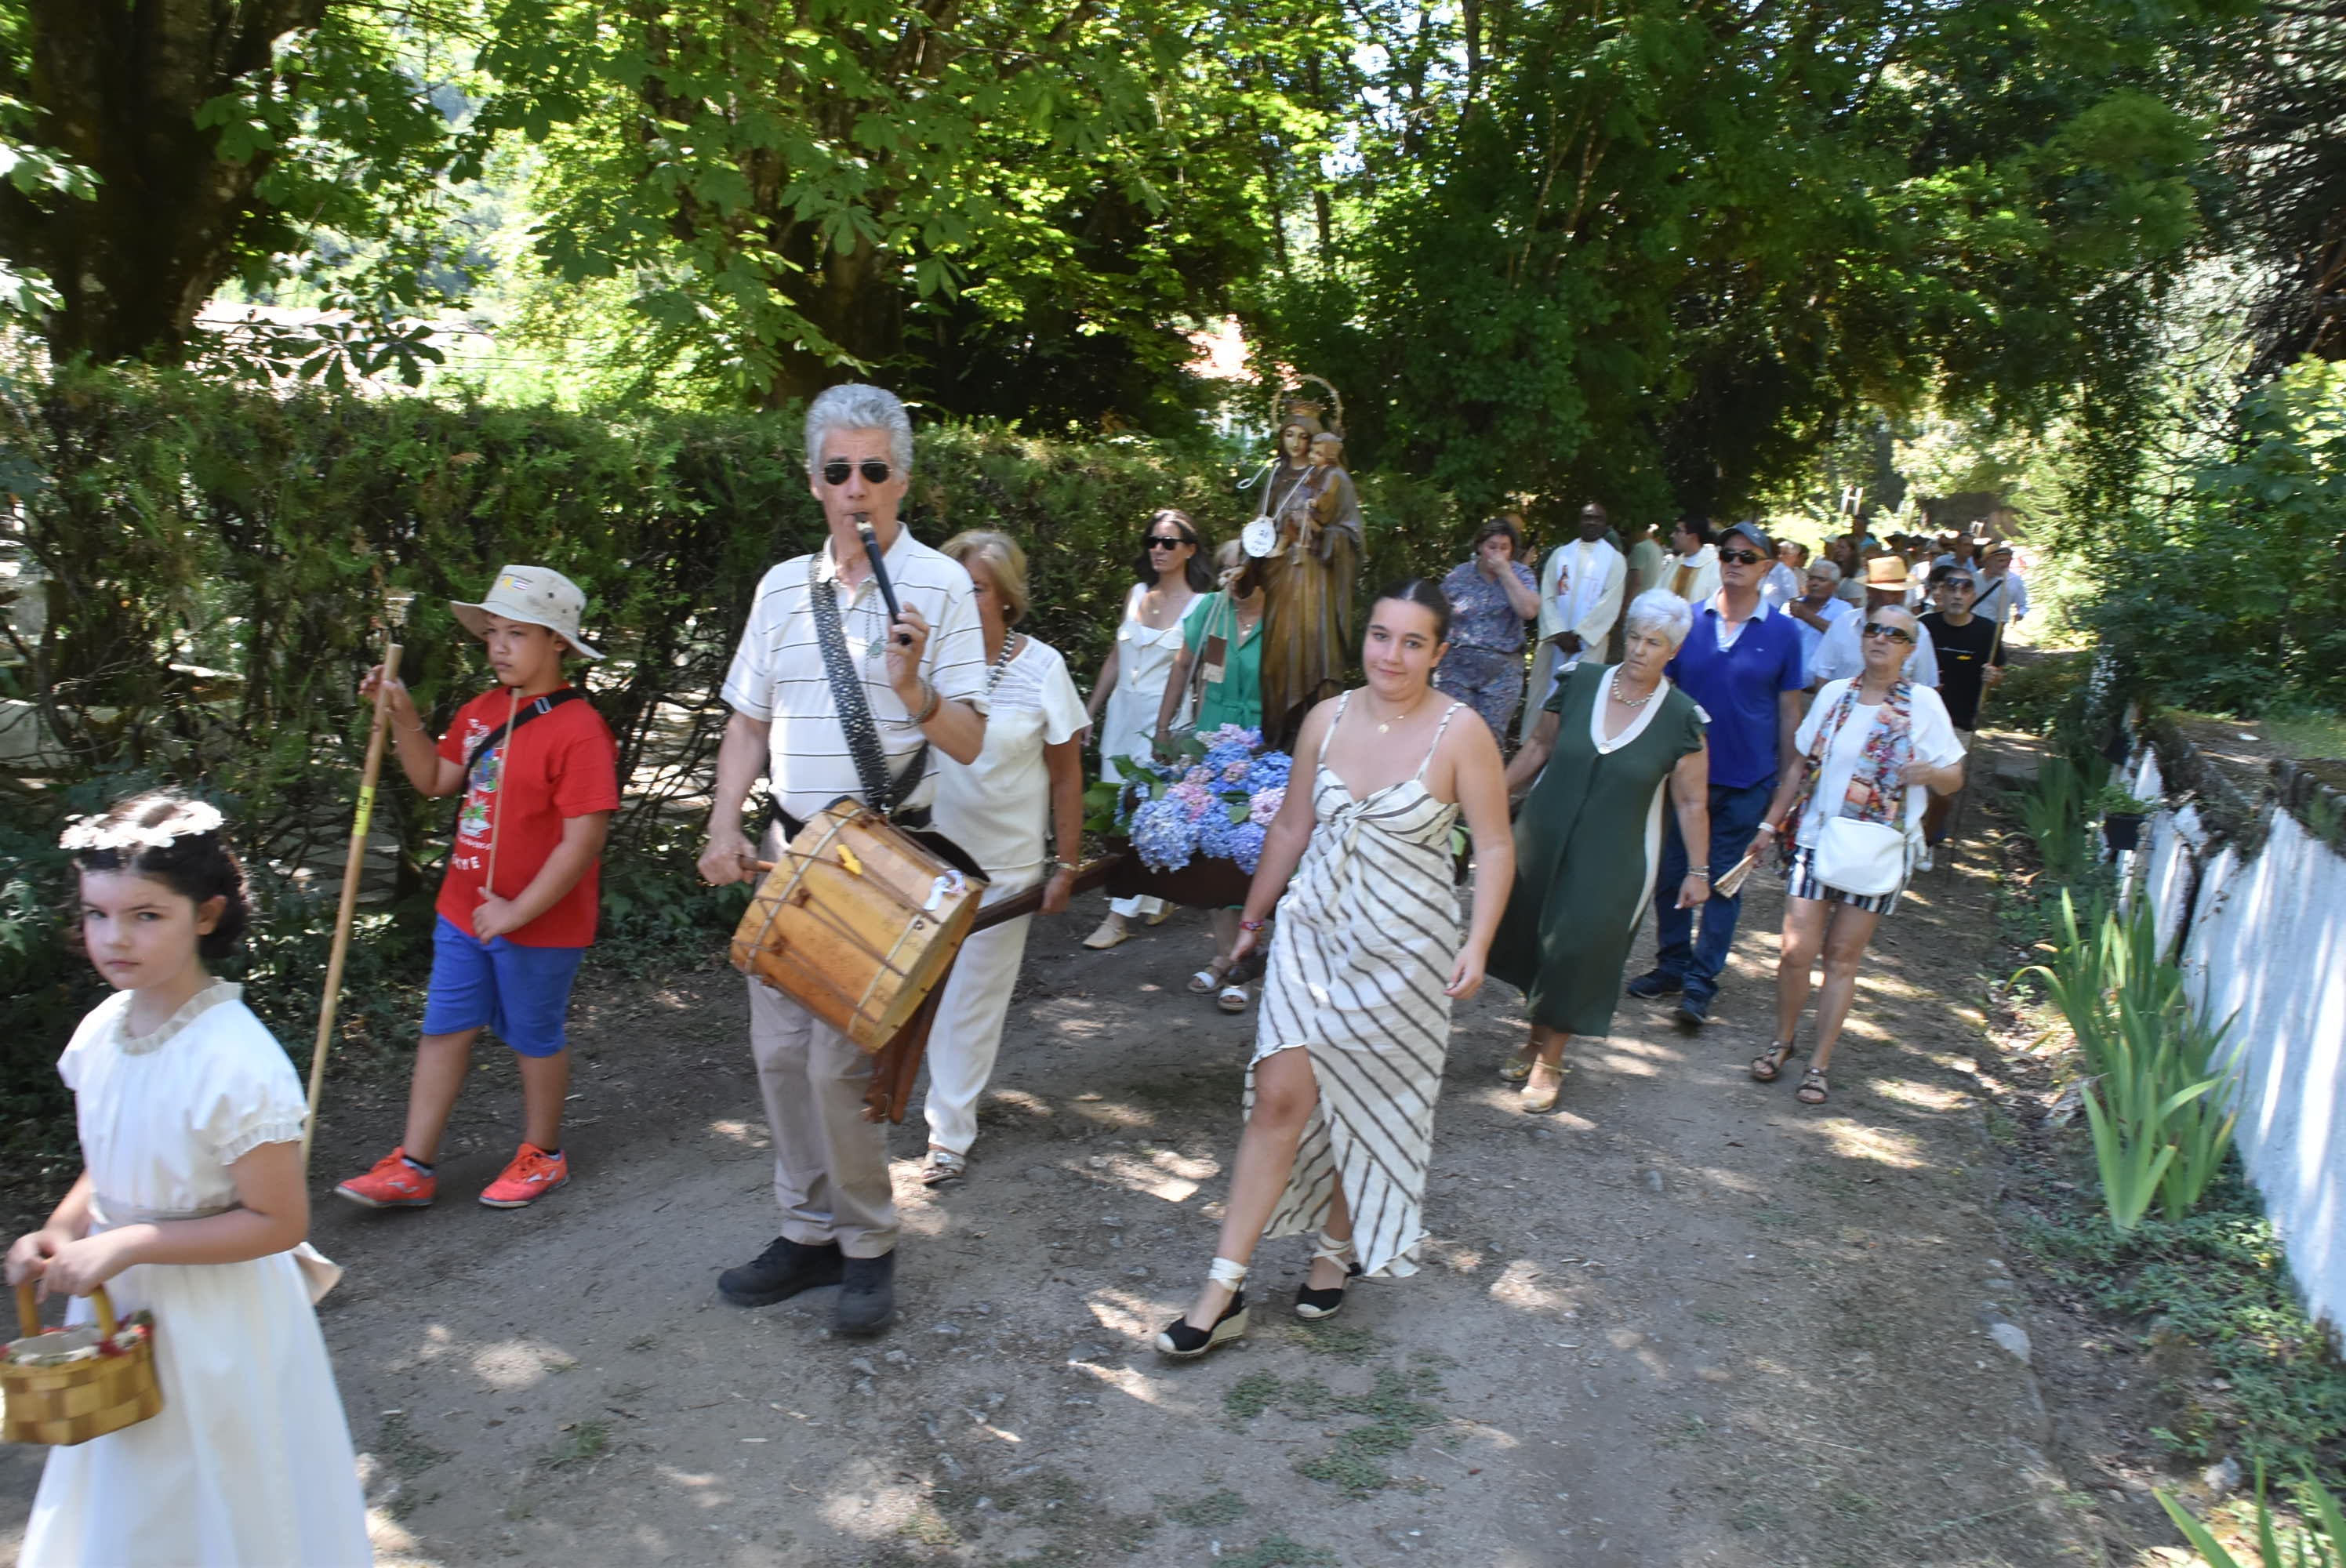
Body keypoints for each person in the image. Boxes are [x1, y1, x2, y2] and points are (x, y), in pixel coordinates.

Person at [699, 382, 991, 1338]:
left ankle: (867, 1242)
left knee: (838, 1067)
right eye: (838, 471)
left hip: (884, 862)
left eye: (874, 470)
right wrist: (721, 824)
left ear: (901, 479)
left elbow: (970, 741)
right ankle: (806, 1230)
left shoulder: (942, 589)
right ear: (814, 481)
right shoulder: (781, 587)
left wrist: (913, 688)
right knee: (779, 1056)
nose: (855, 488)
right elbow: (749, 719)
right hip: (791, 856)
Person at [1154, 581, 1513, 1358]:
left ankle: (1333, 1246)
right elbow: (1289, 824)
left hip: (1404, 947)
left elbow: (1491, 844)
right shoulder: (1326, 716)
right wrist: (1251, 920)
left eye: (1412, 642)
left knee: (1368, 1095)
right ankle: (1224, 1287)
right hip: (1313, 930)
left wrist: (1477, 941)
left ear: (1439, 652)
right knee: (1278, 1093)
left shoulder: (1462, 734)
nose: (1391, 654)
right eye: (1380, 635)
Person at [10, 792, 370, 1566]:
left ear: (205, 915)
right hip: (119, 1307)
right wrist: (64, 1228)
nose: (115, 937)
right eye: (97, 914)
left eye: (146, 915)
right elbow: (112, 1154)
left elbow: (276, 1220)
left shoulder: (235, 1061)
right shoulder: (102, 1030)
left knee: (222, 1495)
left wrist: (130, 1242)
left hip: (216, 1319)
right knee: (132, 1498)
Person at [336, 564, 621, 1212]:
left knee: (532, 1035)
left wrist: (518, 910)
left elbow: (583, 841)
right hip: (464, 911)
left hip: (540, 922)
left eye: (517, 634)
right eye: (493, 632)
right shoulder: (481, 711)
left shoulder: (580, 731)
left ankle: (543, 1154)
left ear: (558, 644)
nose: (498, 646)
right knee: (444, 1027)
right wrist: (403, 714)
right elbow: (436, 779)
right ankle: (413, 1164)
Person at [1491, 591, 1712, 1112]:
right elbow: (1539, 747)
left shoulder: (1683, 719)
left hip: (1618, 853)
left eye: (1653, 642)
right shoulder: (1579, 683)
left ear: (1672, 650)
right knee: (1535, 937)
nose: (1639, 650)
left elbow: (1692, 800)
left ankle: (1551, 1060)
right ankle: (1533, 1038)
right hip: (1543, 833)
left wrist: (1699, 870)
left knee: (1579, 946)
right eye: (1634, 636)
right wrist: (1492, 796)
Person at [918, 532, 1090, 1187]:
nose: (963, 600)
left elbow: (1067, 774)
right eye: (955, 587)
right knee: (909, 992)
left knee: (970, 1003)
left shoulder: (1043, 668)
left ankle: (948, 1134)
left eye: (978, 588)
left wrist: (1065, 865)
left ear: (1007, 599)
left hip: (1005, 868)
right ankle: (875, 1102)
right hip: (922, 859)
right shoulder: (924, 664)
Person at [1745, 605, 1966, 1104]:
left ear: (1911, 648)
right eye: (1874, 630)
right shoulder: (1834, 696)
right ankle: (1782, 1042)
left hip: (1876, 850)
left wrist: (1929, 773)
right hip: (1816, 840)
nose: (1882, 639)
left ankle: (1818, 1065)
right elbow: (1801, 766)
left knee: (1842, 958)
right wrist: (1768, 824)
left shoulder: (1923, 704)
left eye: (1896, 634)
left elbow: (1955, 777)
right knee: (1794, 951)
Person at [1625, 520, 1806, 1027]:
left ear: (1768, 567)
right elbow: (1662, 696)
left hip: (1749, 779)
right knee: (1672, 874)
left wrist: (1785, 786)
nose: (1735, 563)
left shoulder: (1785, 632)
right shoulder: (1690, 624)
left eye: (1748, 557)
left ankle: (1701, 984)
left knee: (1724, 883)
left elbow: (1789, 713)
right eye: (1728, 553)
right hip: (1684, 780)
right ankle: (1672, 964)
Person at [1084, 507, 1209, 949]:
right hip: (1122, 716)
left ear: (1189, 550)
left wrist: (1188, 734)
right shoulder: (1137, 593)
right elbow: (1116, 657)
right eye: (1152, 541)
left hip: (1166, 723)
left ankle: (1117, 917)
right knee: (1116, 814)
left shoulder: (1203, 606)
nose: (1157, 548)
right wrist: (1091, 710)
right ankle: (1156, 894)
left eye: (1168, 542)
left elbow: (1203, 671)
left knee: (1141, 812)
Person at [1159, 539, 1272, 1014]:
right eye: (1225, 569)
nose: (1231, 578)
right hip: (1210, 738)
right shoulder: (1209, 610)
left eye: (1240, 569)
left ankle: (1246, 967)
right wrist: (1164, 730)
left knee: (1251, 856)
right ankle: (1224, 957)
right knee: (1213, 848)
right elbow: (1185, 667)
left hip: (1264, 743)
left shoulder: (1286, 618)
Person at [1258, 431, 1364, 748]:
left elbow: (1352, 534)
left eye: (1306, 437)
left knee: (1315, 656)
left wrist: (1321, 538)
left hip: (1316, 580)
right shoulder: (1275, 477)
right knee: (1276, 660)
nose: (1298, 444)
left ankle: (1310, 742)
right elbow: (1261, 530)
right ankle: (1277, 737)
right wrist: (1246, 564)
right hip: (1281, 578)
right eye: (1289, 434)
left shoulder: (1335, 478)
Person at [1918, 564, 2006, 846]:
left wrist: (1993, 678)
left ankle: (1929, 839)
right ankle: (1909, 836)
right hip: (1918, 719)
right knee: (1914, 783)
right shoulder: (1923, 627)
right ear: (1940, 592)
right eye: (1951, 588)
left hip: (1960, 721)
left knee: (1944, 790)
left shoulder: (1987, 632)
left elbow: (1999, 673)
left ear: (1973, 595)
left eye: (1965, 589)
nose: (1957, 595)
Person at [1435, 515, 1540, 742]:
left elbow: (1529, 611)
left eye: (1504, 548)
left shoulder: (1521, 575)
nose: (1497, 553)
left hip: (1502, 671)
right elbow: (1437, 617)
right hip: (1457, 668)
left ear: (1512, 550)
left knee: (1487, 741)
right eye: (1492, 547)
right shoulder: (1459, 575)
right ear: (1480, 546)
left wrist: (1505, 573)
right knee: (1449, 734)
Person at [1527, 500, 1627, 724]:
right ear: (1579, 521)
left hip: (1589, 644)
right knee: (1546, 698)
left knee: (1578, 699)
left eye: (1597, 518)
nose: (1591, 522)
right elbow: (1548, 595)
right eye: (1587, 517)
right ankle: (1541, 754)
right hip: (1556, 642)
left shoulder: (1615, 560)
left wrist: (1580, 634)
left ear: (1605, 524)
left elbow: (1610, 602)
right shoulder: (1561, 555)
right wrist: (1559, 632)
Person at [1807, 556, 1941, 691]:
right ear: (1869, 591)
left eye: (1901, 592)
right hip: (1845, 708)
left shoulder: (1918, 632)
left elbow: (1926, 685)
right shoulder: (1844, 623)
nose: (1897, 598)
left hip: (1897, 710)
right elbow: (1822, 673)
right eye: (1889, 592)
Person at [1784, 557, 1856, 674]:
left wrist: (1807, 616)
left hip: (1819, 688)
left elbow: (1844, 638)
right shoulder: (1789, 606)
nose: (1814, 584)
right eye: (1811, 579)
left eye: (1821, 580)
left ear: (1835, 586)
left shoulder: (1844, 610)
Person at [1972, 542, 2031, 626]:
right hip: (1971, 625)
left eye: (2008, 561)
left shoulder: (2014, 580)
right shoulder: (1974, 578)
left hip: (1995, 628)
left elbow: (2023, 605)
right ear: (1987, 561)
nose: (2005, 564)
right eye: (2001, 560)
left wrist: (2020, 614)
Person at [1663, 517, 1721, 603]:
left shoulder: (1714, 566)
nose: (1672, 535)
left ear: (1693, 536)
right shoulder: (1676, 563)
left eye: (1677, 531)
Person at [1762, 540, 1807, 608]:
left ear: (1795, 556)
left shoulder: (1788, 575)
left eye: (1785, 553)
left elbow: (1792, 599)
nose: (1780, 556)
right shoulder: (1767, 568)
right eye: (1779, 553)